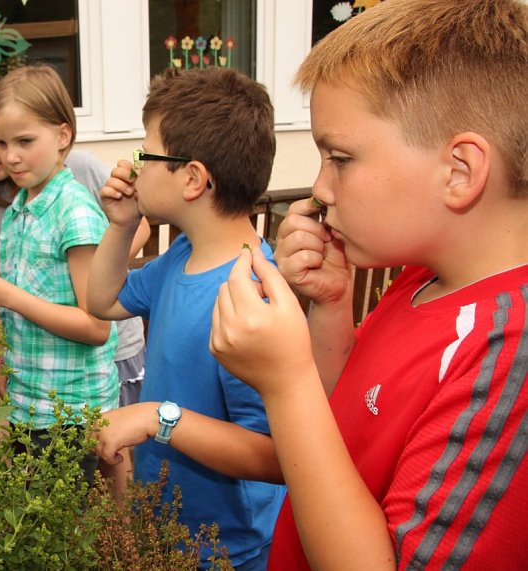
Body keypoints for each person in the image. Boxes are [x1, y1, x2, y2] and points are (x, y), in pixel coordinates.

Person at [208, 1, 528, 569]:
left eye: (340, 158)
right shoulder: (422, 278)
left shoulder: (508, 353)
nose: (320, 188)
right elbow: (344, 424)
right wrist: (330, 306)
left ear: (460, 172)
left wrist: (284, 382)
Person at [88, 67, 286, 570]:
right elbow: (102, 300)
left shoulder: (249, 295)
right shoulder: (182, 255)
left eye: (146, 154)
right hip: (170, 528)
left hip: (229, 549)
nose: (134, 167)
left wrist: (157, 417)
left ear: (193, 178)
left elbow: (274, 456)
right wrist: (122, 224)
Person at [0, 79, 149, 496]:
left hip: (72, 413)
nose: (9, 156)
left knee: (74, 532)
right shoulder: (20, 208)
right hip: (33, 405)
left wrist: (4, 294)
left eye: (24, 140)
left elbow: (96, 326)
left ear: (62, 136)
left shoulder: (75, 212)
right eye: (0, 142)